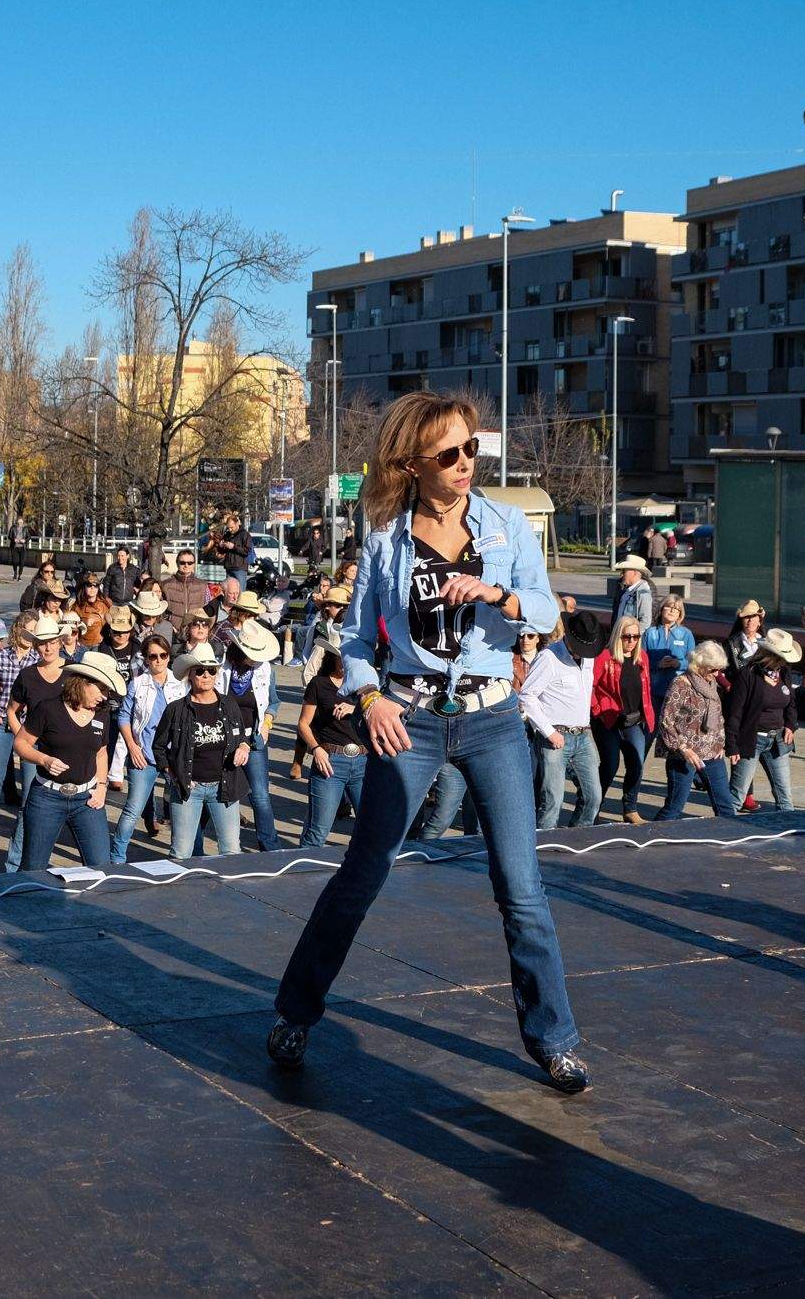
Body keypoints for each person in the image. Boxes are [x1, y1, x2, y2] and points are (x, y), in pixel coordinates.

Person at [267, 391, 586, 1092]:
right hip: (406, 724)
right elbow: (351, 639)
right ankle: (295, 1010)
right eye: (450, 453)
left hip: (494, 719)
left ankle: (555, 1038)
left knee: (521, 887)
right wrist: (371, 696)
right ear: (413, 463)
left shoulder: (506, 529)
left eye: (472, 448)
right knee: (362, 874)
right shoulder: (386, 538)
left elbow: (550, 616)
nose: (466, 462)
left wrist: (498, 598)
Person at [14, 651, 124, 870]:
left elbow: (101, 753)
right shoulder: (48, 708)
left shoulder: (102, 714)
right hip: (46, 797)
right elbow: (20, 744)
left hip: (87, 798)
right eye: (101, 689)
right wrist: (43, 759)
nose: (104, 696)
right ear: (82, 682)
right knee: (33, 867)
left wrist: (102, 787)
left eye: (107, 691)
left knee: (101, 866)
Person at [154, 643, 253, 860]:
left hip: (224, 785)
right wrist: (171, 773)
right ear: (190, 675)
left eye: (211, 670)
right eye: (200, 670)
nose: (206, 675)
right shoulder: (176, 709)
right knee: (181, 851)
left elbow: (244, 736)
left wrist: (244, 747)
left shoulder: (229, 705)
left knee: (231, 850)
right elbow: (159, 746)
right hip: (189, 788)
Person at [520, 612, 606, 830]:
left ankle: (578, 836)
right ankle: (543, 847)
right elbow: (527, 696)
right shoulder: (548, 658)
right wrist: (549, 732)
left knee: (594, 797)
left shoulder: (589, 657)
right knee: (553, 801)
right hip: (555, 734)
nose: (583, 651)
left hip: (583, 733)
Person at [3, 614, 69, 870]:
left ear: (60, 641)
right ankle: (14, 864)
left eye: (52, 641)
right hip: (36, 751)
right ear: (35, 645)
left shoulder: (73, 671)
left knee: (75, 805)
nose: (47, 647)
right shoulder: (28, 675)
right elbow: (11, 710)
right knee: (29, 804)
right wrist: (25, 740)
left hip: (67, 748)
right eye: (42, 642)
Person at [110, 632, 178, 861]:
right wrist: (132, 746)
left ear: (169, 656)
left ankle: (183, 854)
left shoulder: (180, 683)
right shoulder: (138, 683)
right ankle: (117, 856)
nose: (159, 660)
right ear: (146, 659)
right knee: (133, 808)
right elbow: (124, 716)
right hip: (143, 754)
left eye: (163, 655)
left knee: (181, 809)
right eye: (153, 656)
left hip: (173, 757)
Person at [296, 644, 370, 849]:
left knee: (369, 827)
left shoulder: (365, 684)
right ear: (333, 658)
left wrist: (355, 708)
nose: (347, 663)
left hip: (363, 762)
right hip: (331, 761)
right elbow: (303, 724)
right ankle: (301, 872)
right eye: (342, 657)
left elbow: (377, 716)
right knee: (318, 830)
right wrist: (316, 749)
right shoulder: (319, 684)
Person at [656, 641, 737, 821]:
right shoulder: (680, 683)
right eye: (712, 669)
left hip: (712, 752)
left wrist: (720, 743)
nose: (716, 674)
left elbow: (717, 716)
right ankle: (652, 836)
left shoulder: (711, 683)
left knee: (725, 806)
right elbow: (666, 721)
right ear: (699, 664)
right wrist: (684, 749)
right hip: (685, 755)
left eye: (718, 670)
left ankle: (732, 840)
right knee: (674, 807)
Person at [723, 628, 801, 812]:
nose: (783, 662)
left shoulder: (784, 673)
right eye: (781, 658)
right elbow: (735, 713)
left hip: (778, 740)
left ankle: (789, 832)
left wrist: (790, 725)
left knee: (785, 797)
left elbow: (791, 702)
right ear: (770, 655)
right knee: (737, 795)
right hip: (752, 739)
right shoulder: (748, 675)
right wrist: (732, 745)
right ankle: (723, 829)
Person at [0, 613, 38, 852]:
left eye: (34, 632)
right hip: (3, 720)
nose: (29, 636)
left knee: (30, 778)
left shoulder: (37, 659)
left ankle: (26, 827)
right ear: (18, 630)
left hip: (28, 726)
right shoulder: (2, 655)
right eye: (27, 630)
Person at [220, 621, 282, 851]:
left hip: (254, 740)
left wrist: (267, 722)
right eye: (252, 654)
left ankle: (270, 845)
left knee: (260, 796)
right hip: (225, 740)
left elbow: (273, 702)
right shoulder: (220, 668)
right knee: (220, 792)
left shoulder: (265, 670)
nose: (257, 658)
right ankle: (215, 843)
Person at [591, 615, 655, 822]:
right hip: (607, 720)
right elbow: (590, 687)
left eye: (636, 636)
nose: (631, 641)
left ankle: (630, 808)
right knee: (610, 765)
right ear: (618, 636)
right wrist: (598, 708)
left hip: (633, 720)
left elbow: (646, 689)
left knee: (637, 763)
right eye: (627, 636)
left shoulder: (642, 657)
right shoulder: (604, 657)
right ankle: (593, 807)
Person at [642, 593, 695, 725]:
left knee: (674, 729)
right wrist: (657, 664)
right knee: (650, 729)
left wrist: (679, 663)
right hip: (653, 689)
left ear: (680, 614)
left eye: (676, 609)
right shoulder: (650, 633)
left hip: (677, 690)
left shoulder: (686, 634)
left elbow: (694, 662)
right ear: (661, 609)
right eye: (669, 607)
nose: (672, 610)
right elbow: (640, 661)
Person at [161, 550, 213, 617]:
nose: (186, 565)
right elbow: (162, 610)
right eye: (182, 562)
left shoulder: (203, 585)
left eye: (190, 563)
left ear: (194, 564)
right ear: (177, 563)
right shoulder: (166, 585)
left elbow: (207, 609)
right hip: (171, 626)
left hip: (195, 625)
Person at [611, 555, 654, 631]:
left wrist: (631, 636)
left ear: (635, 573)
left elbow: (645, 623)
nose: (621, 574)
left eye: (624, 571)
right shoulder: (624, 589)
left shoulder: (643, 594)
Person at [725, 599, 765, 673]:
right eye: (747, 617)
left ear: (759, 621)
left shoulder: (767, 644)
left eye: (754, 616)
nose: (750, 620)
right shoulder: (731, 643)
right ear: (741, 621)